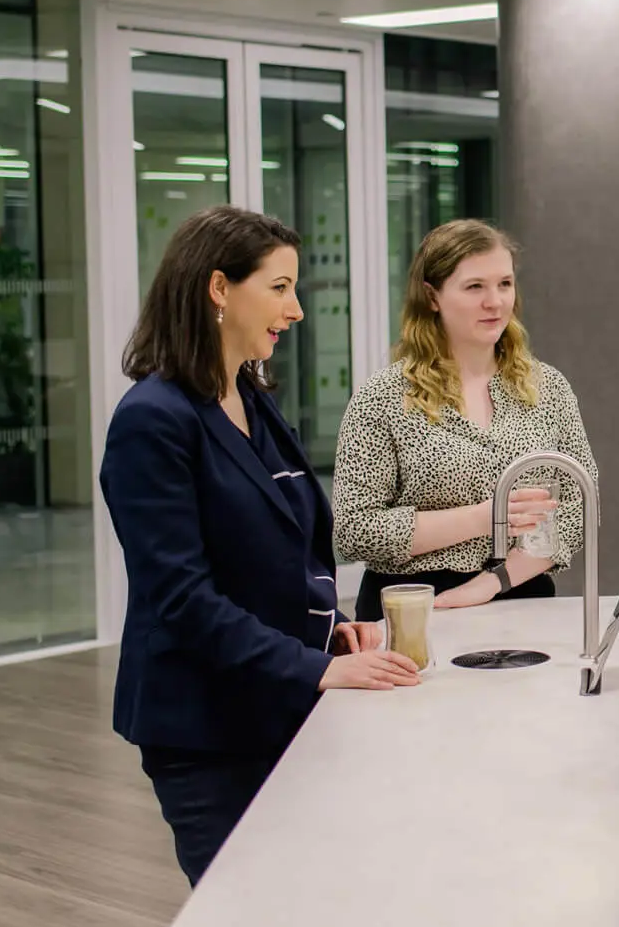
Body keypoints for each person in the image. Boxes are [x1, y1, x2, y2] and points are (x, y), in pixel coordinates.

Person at [104, 207, 419, 886]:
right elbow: (184, 600)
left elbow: (280, 550)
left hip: (276, 706)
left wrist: (329, 630)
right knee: (246, 919)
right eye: (279, 288)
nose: (296, 309)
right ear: (219, 287)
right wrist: (314, 668)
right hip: (207, 730)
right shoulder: (151, 421)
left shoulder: (249, 395)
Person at [333, 220, 593, 619]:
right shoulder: (382, 398)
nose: (495, 302)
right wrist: (484, 518)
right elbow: (354, 530)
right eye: (475, 287)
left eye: (505, 284)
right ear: (432, 296)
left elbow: (578, 506)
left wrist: (493, 582)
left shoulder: (548, 388)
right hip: (414, 607)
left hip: (522, 596)